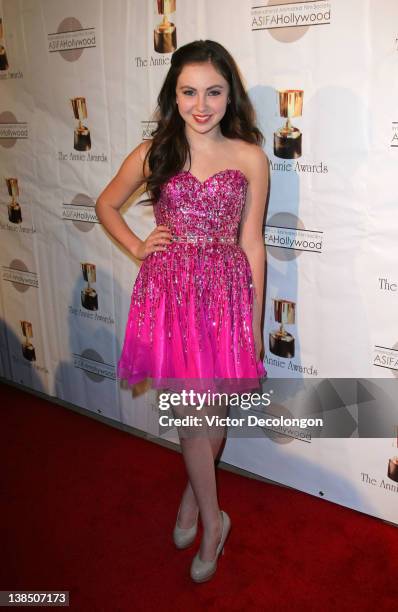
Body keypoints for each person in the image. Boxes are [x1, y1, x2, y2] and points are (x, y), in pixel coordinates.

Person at [95, 39, 269, 583]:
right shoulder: (157, 151)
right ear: (173, 94)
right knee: (194, 419)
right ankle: (215, 521)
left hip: (225, 297)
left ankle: (196, 498)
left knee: (209, 415)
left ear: (229, 95)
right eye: (189, 91)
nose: (201, 104)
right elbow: (105, 203)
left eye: (213, 91)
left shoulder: (250, 156)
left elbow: (254, 244)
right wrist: (137, 244)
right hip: (171, 297)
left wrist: (255, 322)